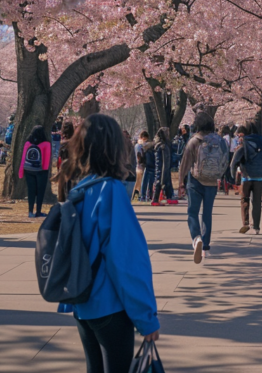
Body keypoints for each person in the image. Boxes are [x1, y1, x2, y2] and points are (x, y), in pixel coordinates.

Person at [54, 114, 160, 373]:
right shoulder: (110, 191)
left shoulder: (77, 187)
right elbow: (126, 261)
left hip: (83, 302)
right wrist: (147, 318)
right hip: (108, 302)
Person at [178, 112, 226, 263]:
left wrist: (180, 182)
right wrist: (219, 174)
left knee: (192, 212)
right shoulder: (220, 141)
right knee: (207, 214)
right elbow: (225, 160)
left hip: (195, 180)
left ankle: (196, 238)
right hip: (212, 181)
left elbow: (185, 163)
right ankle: (205, 247)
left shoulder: (194, 141)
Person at [231, 121, 262, 235]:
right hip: (259, 176)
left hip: (246, 176)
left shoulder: (244, 142)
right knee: (257, 201)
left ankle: (245, 223)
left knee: (244, 199)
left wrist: (232, 175)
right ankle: (256, 226)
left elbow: (234, 161)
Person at [19, 125, 52, 218]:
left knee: (31, 191)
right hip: (41, 170)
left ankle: (30, 211)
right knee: (40, 192)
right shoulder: (46, 144)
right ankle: (38, 211)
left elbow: (23, 158)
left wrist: (21, 171)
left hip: (28, 169)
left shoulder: (28, 143)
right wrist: (45, 170)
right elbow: (46, 160)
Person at [152, 127, 174, 205]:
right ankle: (155, 199)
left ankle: (167, 197)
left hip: (160, 167)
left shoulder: (158, 145)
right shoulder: (163, 146)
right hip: (162, 168)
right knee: (159, 181)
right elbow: (165, 162)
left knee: (161, 180)